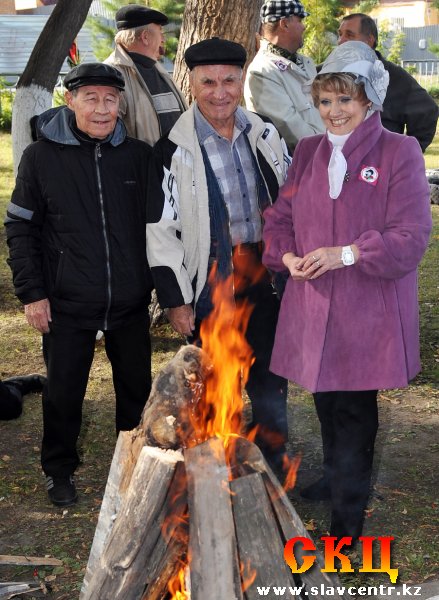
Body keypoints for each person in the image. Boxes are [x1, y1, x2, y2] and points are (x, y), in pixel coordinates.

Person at [262, 41, 432, 541]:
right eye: (324, 102)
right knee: (326, 400)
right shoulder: (309, 151)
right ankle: (337, 477)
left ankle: (346, 523)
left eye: (344, 101)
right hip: (315, 306)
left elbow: (411, 236)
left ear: (369, 101)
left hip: (367, 308)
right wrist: (287, 255)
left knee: (355, 411)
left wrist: (348, 253)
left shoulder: (399, 151)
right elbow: (281, 218)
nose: (333, 112)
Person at [5, 63, 153, 507]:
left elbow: (160, 229)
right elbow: (20, 229)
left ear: (120, 104)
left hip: (128, 300)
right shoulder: (41, 157)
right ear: (70, 101)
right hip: (67, 300)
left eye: (110, 99)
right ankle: (58, 469)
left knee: (136, 391)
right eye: (91, 98)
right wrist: (32, 294)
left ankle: (134, 467)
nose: (102, 109)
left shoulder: (138, 156)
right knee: (64, 392)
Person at [146, 38, 292, 471]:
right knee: (217, 380)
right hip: (209, 279)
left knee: (270, 378)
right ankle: (222, 465)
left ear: (241, 78)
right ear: (192, 83)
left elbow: (289, 199)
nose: (220, 91)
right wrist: (175, 300)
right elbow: (160, 233)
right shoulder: (172, 149)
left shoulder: (263, 132)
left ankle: (273, 465)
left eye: (229, 79)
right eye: (208, 81)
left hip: (263, 274)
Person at [338, 13, 439, 152]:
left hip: (379, 168)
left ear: (369, 41)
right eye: (340, 34)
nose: (341, 41)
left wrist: (407, 153)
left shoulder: (394, 77)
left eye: (349, 35)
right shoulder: (324, 74)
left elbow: (427, 110)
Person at [244, 0, 324, 151]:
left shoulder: (306, 63)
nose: (304, 26)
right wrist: (330, 148)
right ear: (284, 24)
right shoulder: (262, 71)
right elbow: (291, 128)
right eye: (300, 20)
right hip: (299, 166)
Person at [105, 4, 187, 145]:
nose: (163, 39)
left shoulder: (159, 71)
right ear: (145, 37)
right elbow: (106, 135)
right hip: (140, 166)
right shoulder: (111, 74)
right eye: (160, 32)